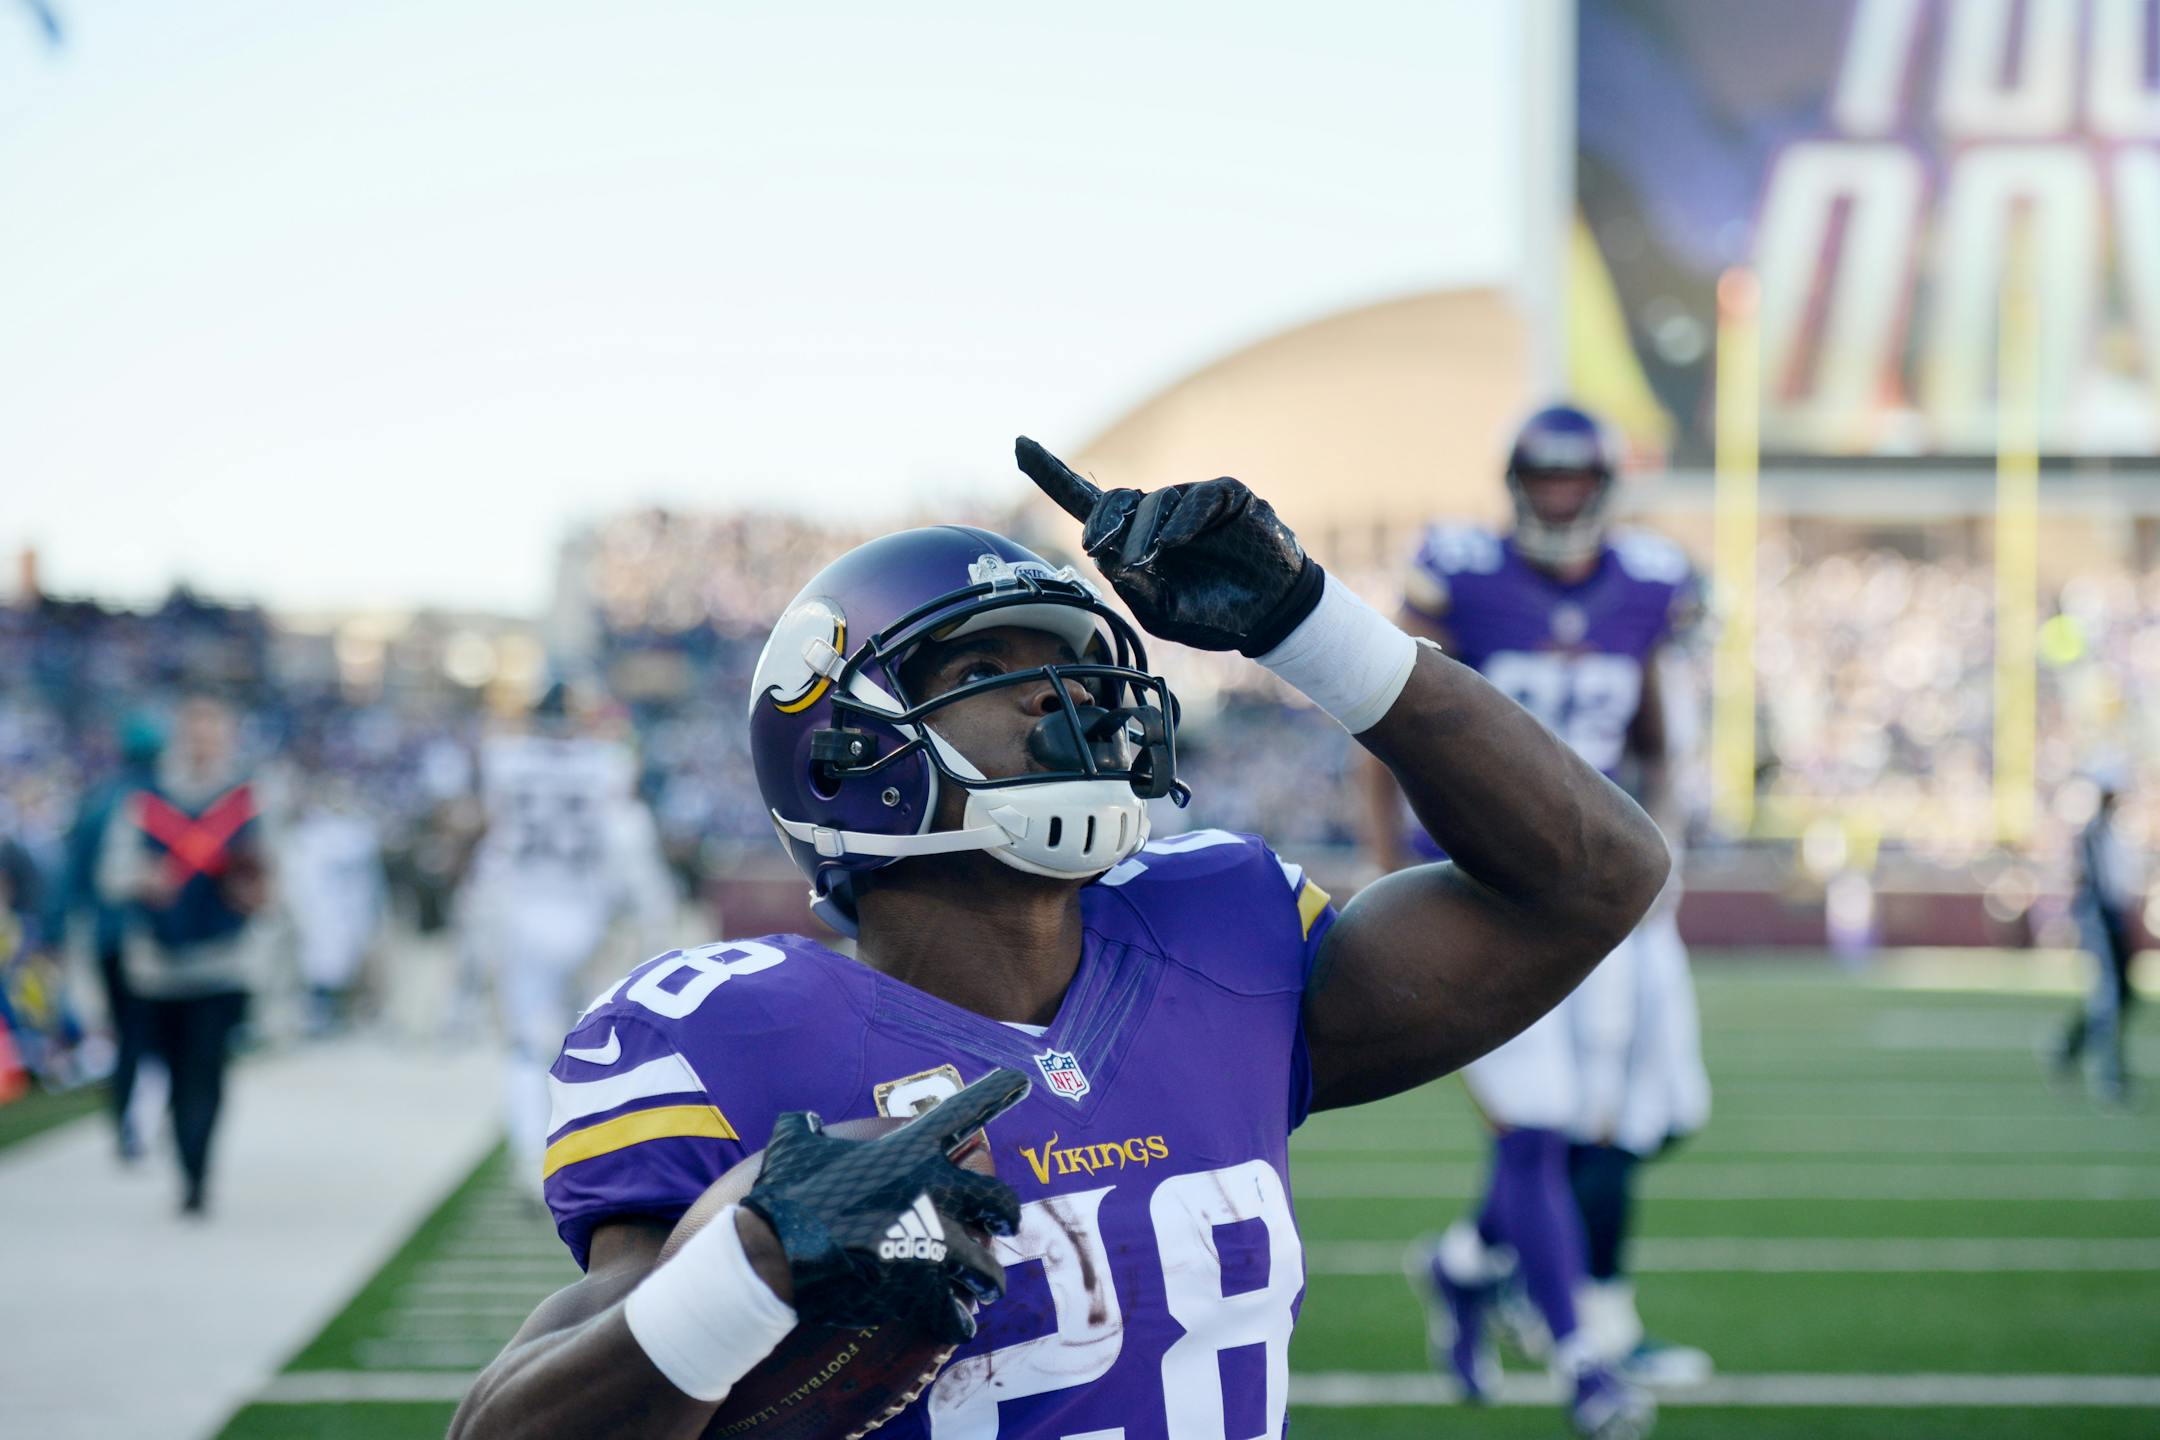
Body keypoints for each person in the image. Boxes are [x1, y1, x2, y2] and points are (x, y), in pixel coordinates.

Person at [449, 439, 1672, 1440]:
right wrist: (748, 1269)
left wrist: (1310, 624)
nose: (1066, 697)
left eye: (1078, 667)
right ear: (845, 746)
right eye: (988, 665)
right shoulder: (730, 1035)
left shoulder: (1221, 936)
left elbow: (1593, 879)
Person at [1361, 404, 1707, 1418]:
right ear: (1516, 483)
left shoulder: (1649, 584)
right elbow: (1384, 724)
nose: (1558, 498)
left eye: (1574, 480)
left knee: (1631, 1122)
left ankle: (1469, 1264)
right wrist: (1386, 870)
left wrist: (1663, 851)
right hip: (1477, 885)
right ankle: (1583, 1365)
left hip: (1599, 888)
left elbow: (1654, 741)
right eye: (1542, 479)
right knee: (1538, 1134)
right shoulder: (1460, 571)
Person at [464, 682, 675, 1193]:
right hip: (588, 913)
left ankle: (528, 1163)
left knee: (523, 1046)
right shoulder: (607, 761)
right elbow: (626, 832)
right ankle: (589, 1156)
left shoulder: (505, 758)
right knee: (593, 1045)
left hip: (523, 911)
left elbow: (492, 828)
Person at [95, 693, 269, 1216]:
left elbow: (274, 876)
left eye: (211, 731)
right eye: (194, 731)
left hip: (223, 961)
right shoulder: (145, 800)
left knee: (207, 1069)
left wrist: (256, 890)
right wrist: (144, 881)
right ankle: (183, 1146)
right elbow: (110, 876)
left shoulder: (248, 802)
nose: (202, 742)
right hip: (158, 965)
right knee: (172, 1069)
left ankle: (197, 1169)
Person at [64, 714, 166, 1159]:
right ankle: (155, 1119)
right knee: (159, 1033)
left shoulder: (98, 798)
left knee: (126, 1032)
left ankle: (127, 1120)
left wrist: (57, 929)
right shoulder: (164, 798)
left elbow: (71, 874)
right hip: (155, 938)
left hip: (109, 936)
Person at [2052, 773, 2144, 1106]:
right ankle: (2110, 1073)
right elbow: (2089, 880)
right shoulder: (2093, 832)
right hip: (2100, 918)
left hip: (2112, 917)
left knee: (2123, 995)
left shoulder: (2111, 832)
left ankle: (2069, 1046)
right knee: (2111, 995)